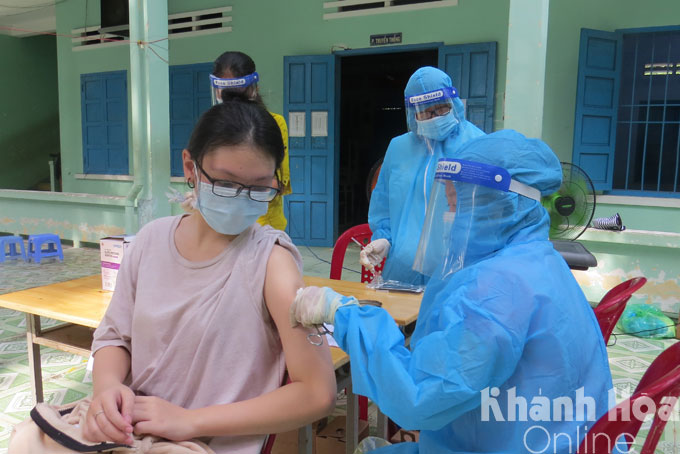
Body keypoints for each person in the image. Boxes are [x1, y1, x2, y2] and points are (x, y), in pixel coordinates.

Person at [291, 130, 614, 454]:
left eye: (457, 203)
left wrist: (345, 314)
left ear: (501, 203)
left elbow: (418, 393)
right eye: (445, 203)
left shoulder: (493, 292)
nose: (448, 218)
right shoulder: (537, 259)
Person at [83, 95, 336, 453]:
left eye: (260, 187)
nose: (242, 198)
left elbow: (317, 392)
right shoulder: (150, 242)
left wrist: (191, 421)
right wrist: (107, 387)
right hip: (133, 435)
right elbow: (113, 337)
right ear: (191, 168)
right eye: (228, 184)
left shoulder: (270, 262)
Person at [361, 66, 485, 286]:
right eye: (426, 112)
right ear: (412, 113)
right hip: (402, 270)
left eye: (441, 109)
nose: (434, 117)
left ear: (454, 104)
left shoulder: (477, 145)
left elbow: (491, 210)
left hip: (458, 270)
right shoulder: (398, 148)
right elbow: (383, 203)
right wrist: (384, 238)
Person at [211, 51, 292, 231]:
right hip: (220, 226)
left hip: (262, 227)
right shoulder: (211, 125)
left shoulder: (273, 124)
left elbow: (275, 184)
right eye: (226, 92)